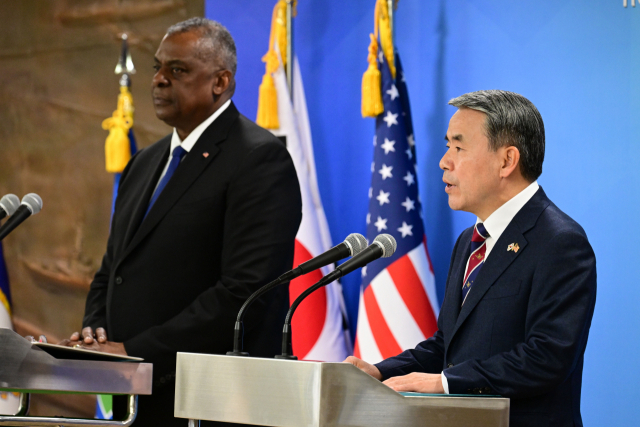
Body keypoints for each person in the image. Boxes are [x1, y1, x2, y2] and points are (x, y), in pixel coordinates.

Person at [64, 18, 302, 426]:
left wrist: (137, 351)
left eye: (177, 70)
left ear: (220, 82)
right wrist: (95, 335)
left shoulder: (259, 159)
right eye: (157, 67)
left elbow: (245, 292)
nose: (158, 80)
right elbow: (113, 270)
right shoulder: (144, 162)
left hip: (211, 401)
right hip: (133, 396)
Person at [346, 90, 596, 427]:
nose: (444, 161)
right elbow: (447, 346)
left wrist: (446, 383)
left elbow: (547, 357)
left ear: (506, 161)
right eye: (447, 146)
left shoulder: (560, 242)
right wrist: (379, 371)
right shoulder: (470, 241)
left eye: (458, 147)